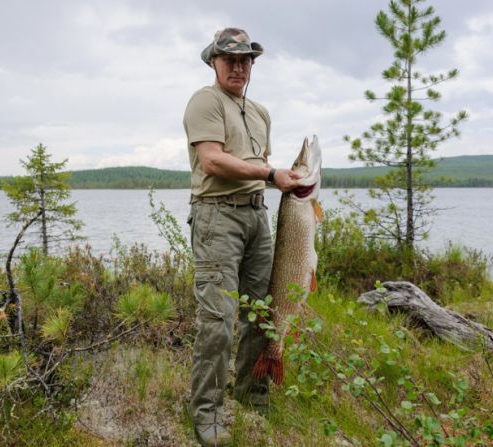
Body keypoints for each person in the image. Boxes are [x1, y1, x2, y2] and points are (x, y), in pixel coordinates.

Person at [182, 28, 300, 446]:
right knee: (217, 323)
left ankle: (253, 398)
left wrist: (284, 181)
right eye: (228, 59)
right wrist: (271, 174)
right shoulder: (205, 102)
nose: (238, 66)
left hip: (257, 218)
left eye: (245, 59)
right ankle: (207, 417)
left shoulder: (260, 112)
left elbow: (254, 167)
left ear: (253, 64)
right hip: (217, 219)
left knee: (261, 313)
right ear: (213, 61)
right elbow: (213, 162)